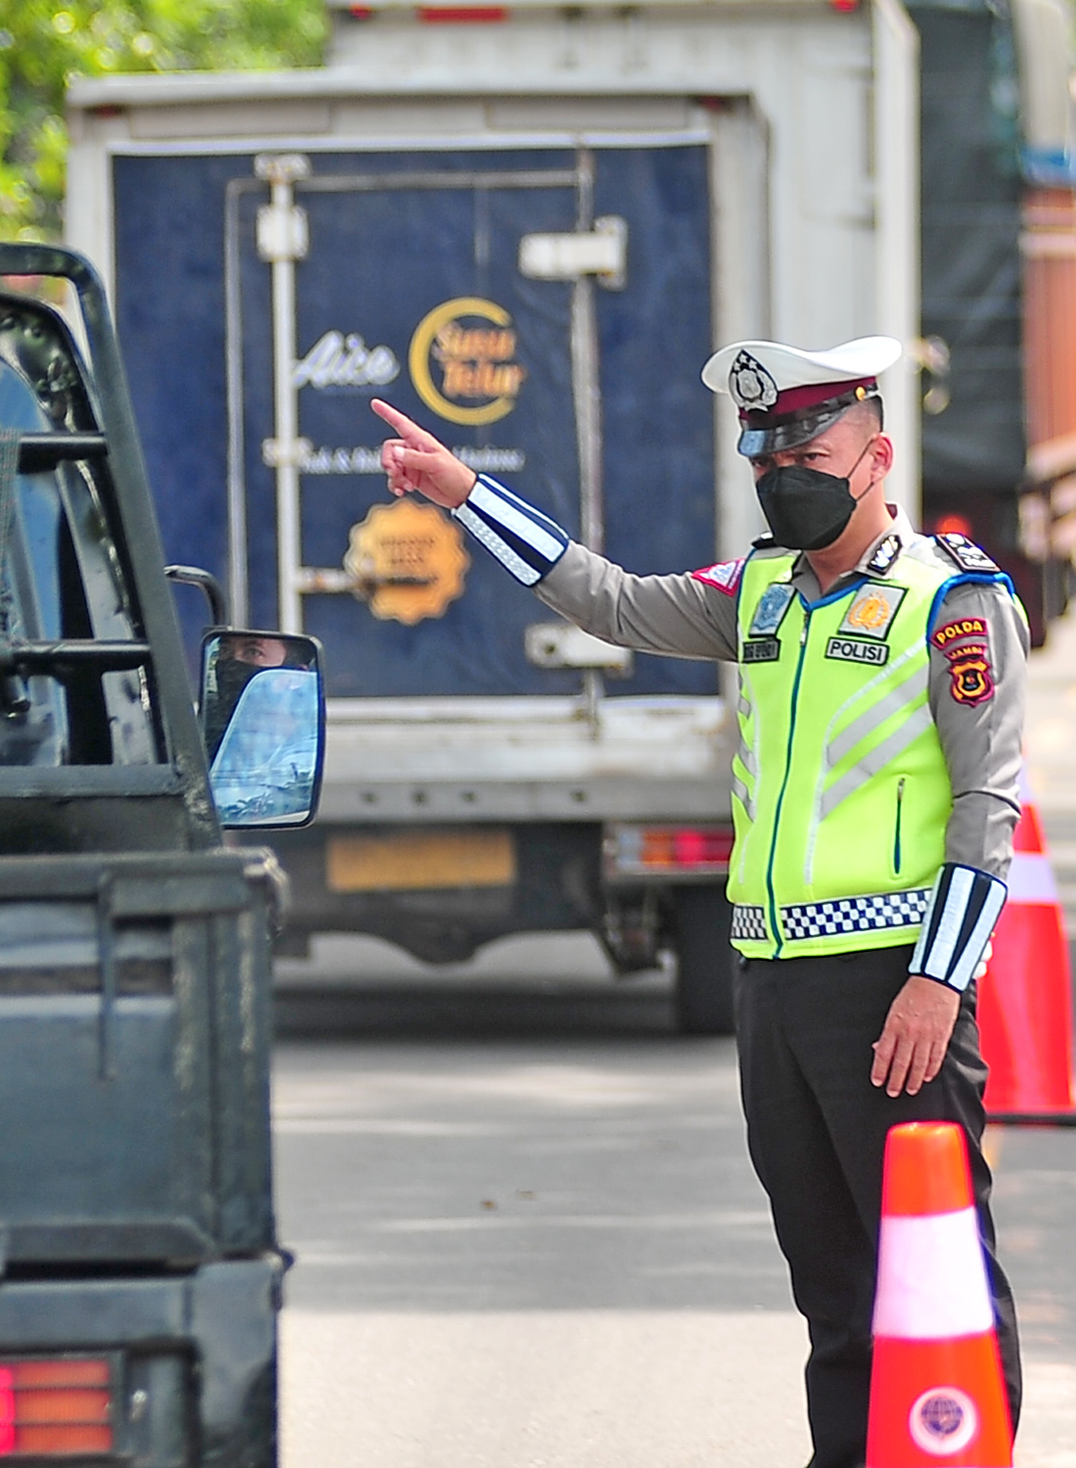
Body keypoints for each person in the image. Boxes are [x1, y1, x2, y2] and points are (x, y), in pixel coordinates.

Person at [369, 336, 1026, 1468]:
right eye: (766, 461)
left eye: (809, 457)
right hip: (770, 981)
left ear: (875, 460)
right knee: (827, 1274)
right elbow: (614, 602)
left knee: (932, 1261)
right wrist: (466, 493)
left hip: (891, 984)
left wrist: (937, 982)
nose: (784, 478)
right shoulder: (759, 590)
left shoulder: (951, 601)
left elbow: (987, 802)